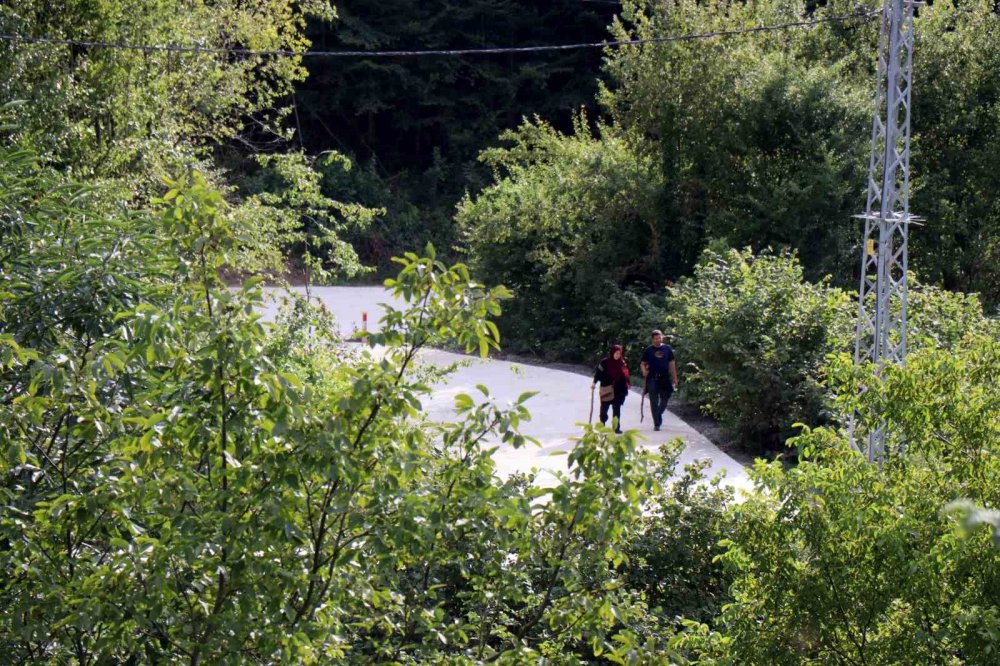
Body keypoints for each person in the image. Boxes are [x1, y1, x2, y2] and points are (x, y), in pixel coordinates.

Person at [640, 329, 678, 432]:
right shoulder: (648, 350)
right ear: (652, 339)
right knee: (654, 401)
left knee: (665, 398)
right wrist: (644, 371)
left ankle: (658, 414)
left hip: (665, 378)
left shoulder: (667, 349)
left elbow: (672, 364)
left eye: (659, 337)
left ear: (662, 337)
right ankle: (657, 424)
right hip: (652, 378)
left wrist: (675, 377)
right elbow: (643, 363)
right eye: (656, 338)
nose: (658, 340)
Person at [591, 343, 630, 434]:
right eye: (616, 353)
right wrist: (594, 383)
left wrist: (626, 386)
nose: (617, 355)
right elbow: (598, 374)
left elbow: (625, 375)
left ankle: (616, 428)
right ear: (612, 353)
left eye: (619, 354)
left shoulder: (622, 363)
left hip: (618, 389)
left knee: (617, 409)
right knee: (604, 408)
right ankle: (602, 425)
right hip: (606, 388)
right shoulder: (604, 362)